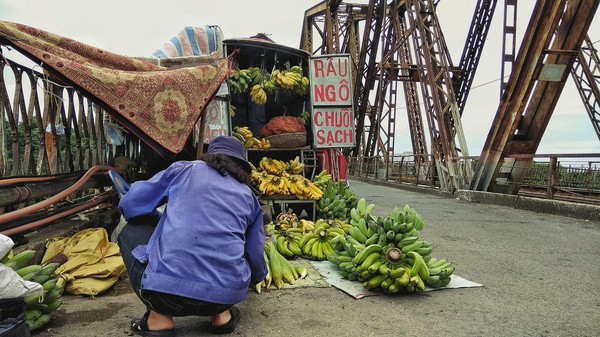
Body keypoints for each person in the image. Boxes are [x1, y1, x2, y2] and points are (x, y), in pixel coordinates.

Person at [116, 136, 267, 336]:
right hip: (226, 297)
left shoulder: (186, 169)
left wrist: (154, 217)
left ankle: (159, 318)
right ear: (241, 167)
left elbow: (131, 205)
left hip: (166, 296)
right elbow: (255, 254)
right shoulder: (248, 196)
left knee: (130, 228)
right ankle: (222, 316)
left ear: (209, 157)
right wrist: (254, 279)